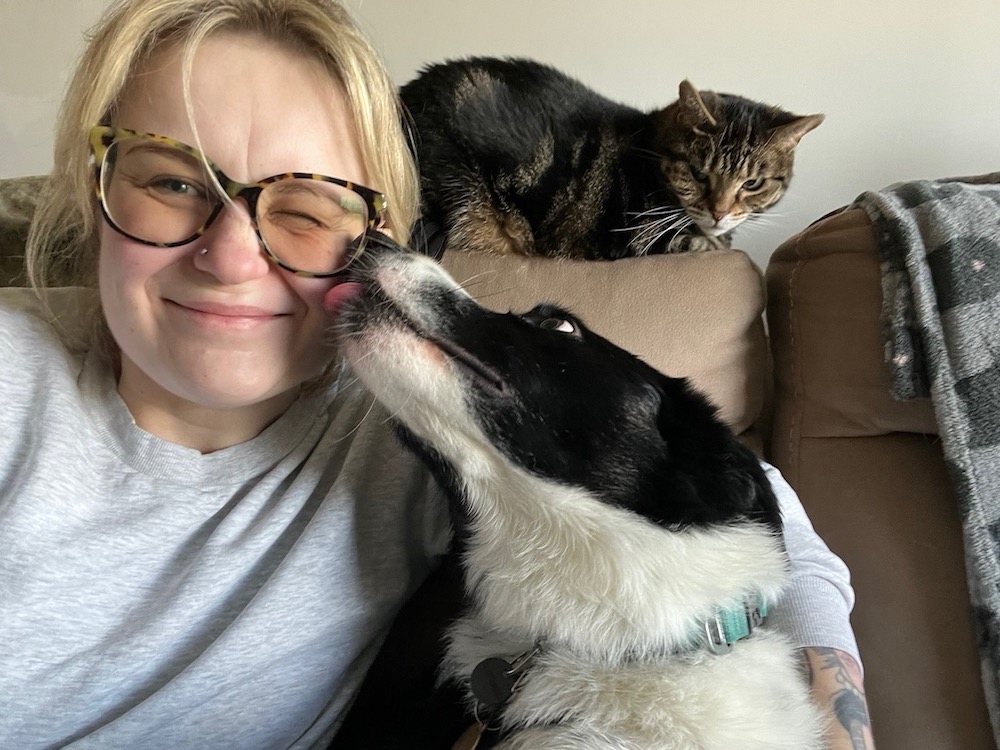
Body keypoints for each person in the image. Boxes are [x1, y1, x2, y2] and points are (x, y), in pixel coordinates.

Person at [0, 0, 873, 748]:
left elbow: (756, 522)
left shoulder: (410, 403)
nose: (232, 256)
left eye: (304, 203)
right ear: (92, 189)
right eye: (174, 182)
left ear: (377, 226)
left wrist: (830, 719)